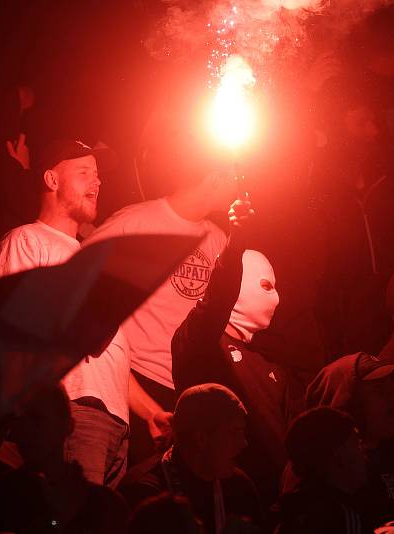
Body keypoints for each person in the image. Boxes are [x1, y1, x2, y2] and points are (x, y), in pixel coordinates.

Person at [0, 139, 169, 488]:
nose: (97, 183)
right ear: (51, 180)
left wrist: (151, 412)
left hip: (114, 420)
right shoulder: (27, 240)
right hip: (70, 412)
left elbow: (109, 358)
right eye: (84, 172)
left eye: (98, 176)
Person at [83, 120, 233, 459]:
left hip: (189, 390)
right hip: (139, 384)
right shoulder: (135, 223)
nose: (241, 186)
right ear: (213, 176)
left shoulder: (219, 239)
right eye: (235, 176)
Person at [171, 199, 304, 504]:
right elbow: (215, 302)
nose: (277, 298)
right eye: (265, 286)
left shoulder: (272, 365)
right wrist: (236, 247)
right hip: (215, 494)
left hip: (271, 502)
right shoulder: (199, 345)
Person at [0, 383, 130, 534]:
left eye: (37, 420)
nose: (25, 430)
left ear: (68, 426)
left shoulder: (104, 506)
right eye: (19, 420)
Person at [120, 383, 261, 534]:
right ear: (201, 438)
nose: (243, 443)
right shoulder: (143, 491)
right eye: (234, 432)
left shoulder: (240, 488)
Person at [305, 353, 394, 522]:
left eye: (392, 391)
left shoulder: (393, 450)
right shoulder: (323, 472)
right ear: (348, 401)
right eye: (380, 391)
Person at [276, 407, 375, 533]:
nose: (364, 454)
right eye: (357, 445)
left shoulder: (294, 513)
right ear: (338, 457)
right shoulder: (341, 517)